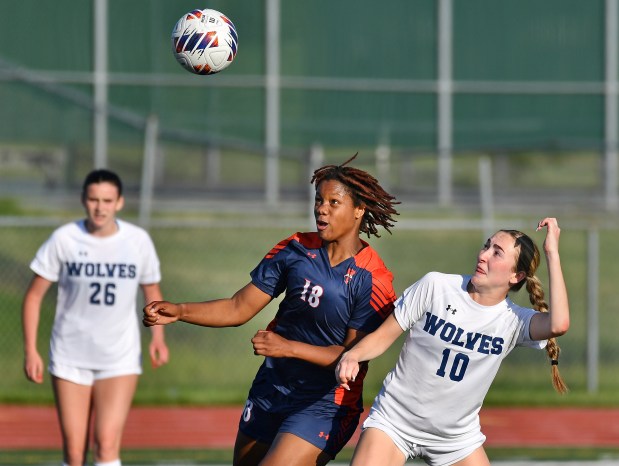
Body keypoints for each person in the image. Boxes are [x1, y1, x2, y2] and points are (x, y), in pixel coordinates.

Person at [143, 154, 400, 466]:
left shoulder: (373, 279)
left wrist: (288, 348)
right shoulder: (294, 249)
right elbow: (238, 307)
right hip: (273, 387)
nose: (321, 208)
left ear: (359, 210)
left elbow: (353, 356)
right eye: (319, 200)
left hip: (324, 403)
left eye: (334, 202)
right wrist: (180, 310)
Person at [336, 217, 570, 466]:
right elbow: (382, 337)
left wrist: (552, 253)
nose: (483, 255)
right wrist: (353, 355)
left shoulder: (513, 320)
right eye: (486, 246)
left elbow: (558, 324)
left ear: (516, 275)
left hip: (455, 440)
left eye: (497, 253)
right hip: (395, 422)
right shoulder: (436, 286)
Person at [22, 169, 169, 466]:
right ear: (83, 200)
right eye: (93, 199)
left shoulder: (137, 240)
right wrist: (31, 350)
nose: (100, 207)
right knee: (75, 452)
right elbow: (34, 296)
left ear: (120, 202)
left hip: (119, 356)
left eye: (107, 200)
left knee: (105, 443)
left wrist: (158, 337)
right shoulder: (64, 239)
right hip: (69, 355)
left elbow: (152, 291)